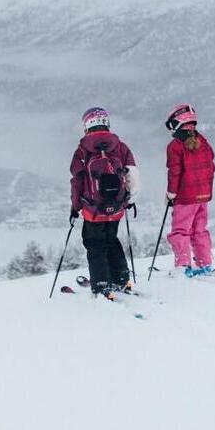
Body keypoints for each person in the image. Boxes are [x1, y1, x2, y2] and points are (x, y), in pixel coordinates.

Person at [69, 107, 139, 299]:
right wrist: (129, 199)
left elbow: (77, 181)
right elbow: (132, 174)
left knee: (95, 245)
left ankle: (101, 285)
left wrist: (75, 207)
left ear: (86, 126)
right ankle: (122, 279)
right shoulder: (120, 146)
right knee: (112, 240)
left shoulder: (82, 151)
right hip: (115, 208)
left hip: (93, 210)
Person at [164, 104, 215, 277]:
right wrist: (205, 189)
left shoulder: (175, 146)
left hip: (185, 197)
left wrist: (171, 193)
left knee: (180, 230)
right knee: (199, 230)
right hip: (203, 196)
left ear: (177, 122)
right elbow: (212, 167)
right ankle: (205, 263)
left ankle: (183, 265)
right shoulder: (203, 142)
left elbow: (175, 172)